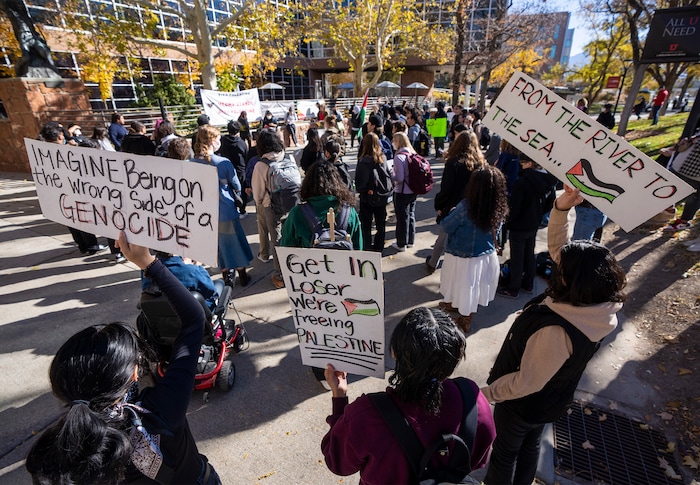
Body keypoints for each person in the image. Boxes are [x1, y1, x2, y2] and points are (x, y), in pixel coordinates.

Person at [25, 231, 222, 485]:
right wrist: (148, 263)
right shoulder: (161, 407)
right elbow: (195, 319)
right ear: (133, 374)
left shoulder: (61, 453)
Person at [482, 185, 626, 485]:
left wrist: (485, 395)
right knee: (531, 444)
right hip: (552, 400)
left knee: (506, 453)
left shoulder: (556, 329)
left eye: (561, 267)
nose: (554, 263)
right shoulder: (595, 305)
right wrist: (561, 209)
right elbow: (562, 249)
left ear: (571, 279)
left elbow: (526, 382)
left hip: (523, 404)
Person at [321, 307, 496, 484]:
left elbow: (337, 462)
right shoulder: (473, 401)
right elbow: (477, 459)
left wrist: (339, 397)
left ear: (394, 353)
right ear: (453, 359)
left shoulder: (366, 415)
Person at [439, 165, 508, 332]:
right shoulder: (498, 207)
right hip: (485, 255)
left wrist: (450, 213)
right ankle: (462, 312)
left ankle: (464, 320)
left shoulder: (464, 207)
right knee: (471, 287)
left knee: (461, 285)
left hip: (461, 256)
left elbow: (446, 226)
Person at [191, 125, 252, 287]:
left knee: (219, 246)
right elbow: (237, 186)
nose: (219, 141)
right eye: (218, 139)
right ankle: (242, 276)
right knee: (234, 244)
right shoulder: (223, 163)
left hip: (204, 214)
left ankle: (226, 278)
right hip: (225, 211)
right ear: (212, 141)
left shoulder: (191, 162)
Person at [39, 122, 107, 256]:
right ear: (59, 136)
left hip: (59, 191)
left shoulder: (42, 151)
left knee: (70, 218)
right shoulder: (65, 150)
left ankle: (82, 245)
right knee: (81, 216)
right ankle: (91, 245)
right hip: (74, 189)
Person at [496, 154, 556, 299]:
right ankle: (528, 284)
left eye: (522, 163)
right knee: (529, 254)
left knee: (517, 258)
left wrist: (509, 222)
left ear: (530, 163)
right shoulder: (547, 181)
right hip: (533, 224)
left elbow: (514, 207)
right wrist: (539, 214)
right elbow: (551, 201)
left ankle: (513, 288)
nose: (520, 166)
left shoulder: (522, 182)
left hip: (519, 226)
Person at [427, 131, 486, 273]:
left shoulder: (453, 163)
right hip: (472, 206)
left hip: (453, 206)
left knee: (443, 235)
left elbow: (446, 188)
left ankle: (433, 262)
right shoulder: (480, 163)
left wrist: (439, 205)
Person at [251, 129, 287, 288]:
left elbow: (257, 193)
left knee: (277, 240)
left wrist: (260, 203)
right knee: (290, 236)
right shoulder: (285, 156)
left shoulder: (261, 165)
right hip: (290, 203)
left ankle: (280, 274)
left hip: (271, 206)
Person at [141, 250, 219, 311]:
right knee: (219, 284)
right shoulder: (194, 271)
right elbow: (210, 293)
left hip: (162, 322)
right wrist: (195, 267)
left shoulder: (147, 272)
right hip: (194, 319)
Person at [355, 133, 392, 252]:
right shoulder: (383, 158)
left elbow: (360, 183)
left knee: (366, 225)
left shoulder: (363, 161)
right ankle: (379, 247)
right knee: (381, 224)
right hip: (381, 196)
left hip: (367, 198)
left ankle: (367, 246)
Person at [391, 132, 418, 252]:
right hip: (413, 189)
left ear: (398, 142)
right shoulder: (413, 154)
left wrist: (391, 174)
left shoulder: (399, 157)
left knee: (402, 218)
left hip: (402, 191)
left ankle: (401, 243)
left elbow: (399, 178)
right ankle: (410, 240)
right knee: (411, 215)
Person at [218, 120, 249, 217]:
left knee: (228, 189)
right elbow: (245, 156)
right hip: (240, 170)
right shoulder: (241, 143)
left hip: (225, 168)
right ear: (238, 130)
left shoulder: (223, 140)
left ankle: (232, 209)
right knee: (241, 191)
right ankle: (242, 210)